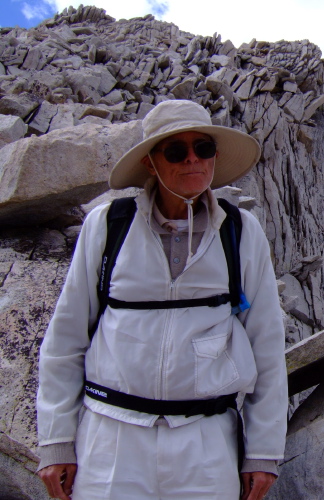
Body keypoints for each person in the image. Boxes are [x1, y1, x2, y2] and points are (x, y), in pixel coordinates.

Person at [35, 99, 287, 500]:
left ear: (215, 156)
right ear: (151, 163)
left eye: (202, 148)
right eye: (175, 151)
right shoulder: (107, 226)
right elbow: (66, 339)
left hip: (205, 443)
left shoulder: (241, 231)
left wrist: (262, 452)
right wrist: (56, 440)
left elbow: (267, 345)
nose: (192, 160)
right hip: (110, 438)